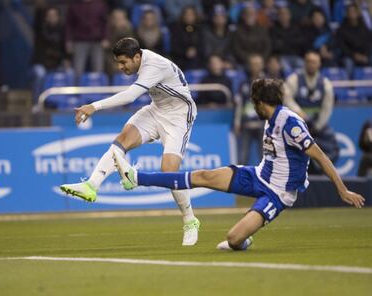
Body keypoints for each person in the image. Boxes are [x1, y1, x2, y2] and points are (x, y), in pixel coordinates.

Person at [112, 78, 365, 251]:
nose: (252, 106)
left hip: (278, 193)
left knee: (233, 240)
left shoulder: (290, 122)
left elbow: (320, 156)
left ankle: (243, 240)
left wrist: (342, 190)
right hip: (257, 175)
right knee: (202, 175)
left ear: (260, 102)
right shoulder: (272, 116)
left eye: (253, 102)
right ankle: (136, 177)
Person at [60, 38, 200, 246]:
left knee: (169, 171)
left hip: (179, 117)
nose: (120, 67)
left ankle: (190, 220)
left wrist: (93, 106)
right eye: (117, 62)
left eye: (123, 62)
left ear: (137, 57)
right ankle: (91, 186)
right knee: (122, 139)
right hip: (157, 110)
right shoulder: (141, 60)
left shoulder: (153, 64)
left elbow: (130, 96)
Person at [283, 51, 338, 174]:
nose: (311, 64)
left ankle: (323, 173)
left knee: (332, 146)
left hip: (317, 126)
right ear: (304, 63)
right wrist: (299, 113)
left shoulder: (325, 84)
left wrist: (318, 126)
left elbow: (327, 108)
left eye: (314, 62)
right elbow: (287, 99)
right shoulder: (294, 79)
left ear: (319, 64)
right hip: (297, 124)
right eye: (308, 61)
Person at [31, 6, 71, 102]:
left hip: (57, 63)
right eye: (50, 15)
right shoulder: (40, 31)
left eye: (54, 15)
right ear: (46, 18)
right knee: (40, 74)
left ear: (58, 17)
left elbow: (65, 50)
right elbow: (37, 21)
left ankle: (68, 102)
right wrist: (39, 6)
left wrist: (67, 59)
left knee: (70, 73)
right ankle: (37, 103)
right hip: (41, 63)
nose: (52, 17)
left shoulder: (62, 31)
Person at [234, 54, 265, 165]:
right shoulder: (244, 83)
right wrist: (237, 122)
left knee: (265, 157)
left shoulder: (268, 83)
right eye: (253, 64)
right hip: (246, 125)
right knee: (242, 157)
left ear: (262, 65)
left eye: (257, 64)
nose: (255, 66)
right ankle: (241, 180)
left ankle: (265, 180)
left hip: (263, 125)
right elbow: (239, 104)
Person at [65, 0, 109, 79]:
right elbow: (69, 25)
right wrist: (68, 40)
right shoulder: (74, 5)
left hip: (97, 41)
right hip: (79, 41)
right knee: (78, 70)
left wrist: (105, 37)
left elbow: (104, 23)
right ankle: (77, 91)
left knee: (98, 69)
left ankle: (98, 90)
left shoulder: (100, 4)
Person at [336, 4, 372, 75]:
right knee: (348, 63)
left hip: (365, 55)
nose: (352, 14)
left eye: (354, 11)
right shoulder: (342, 29)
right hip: (349, 56)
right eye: (350, 12)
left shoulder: (364, 27)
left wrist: (366, 55)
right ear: (347, 14)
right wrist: (354, 55)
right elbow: (342, 46)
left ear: (358, 13)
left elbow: (369, 42)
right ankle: (349, 85)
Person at [270, 6, 305, 73]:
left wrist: (284, 41)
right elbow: (275, 46)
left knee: (303, 66)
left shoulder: (296, 27)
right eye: (281, 14)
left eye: (286, 14)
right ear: (278, 16)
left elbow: (300, 43)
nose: (284, 16)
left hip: (295, 55)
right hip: (281, 56)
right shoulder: (274, 29)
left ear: (289, 15)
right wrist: (291, 41)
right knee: (286, 70)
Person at [170, 5, 204, 70]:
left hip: (197, 59)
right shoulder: (176, 28)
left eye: (191, 14)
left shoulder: (200, 28)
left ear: (195, 16)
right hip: (180, 59)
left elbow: (203, 45)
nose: (189, 17)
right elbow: (174, 46)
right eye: (187, 14)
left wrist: (196, 50)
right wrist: (185, 52)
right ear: (183, 16)